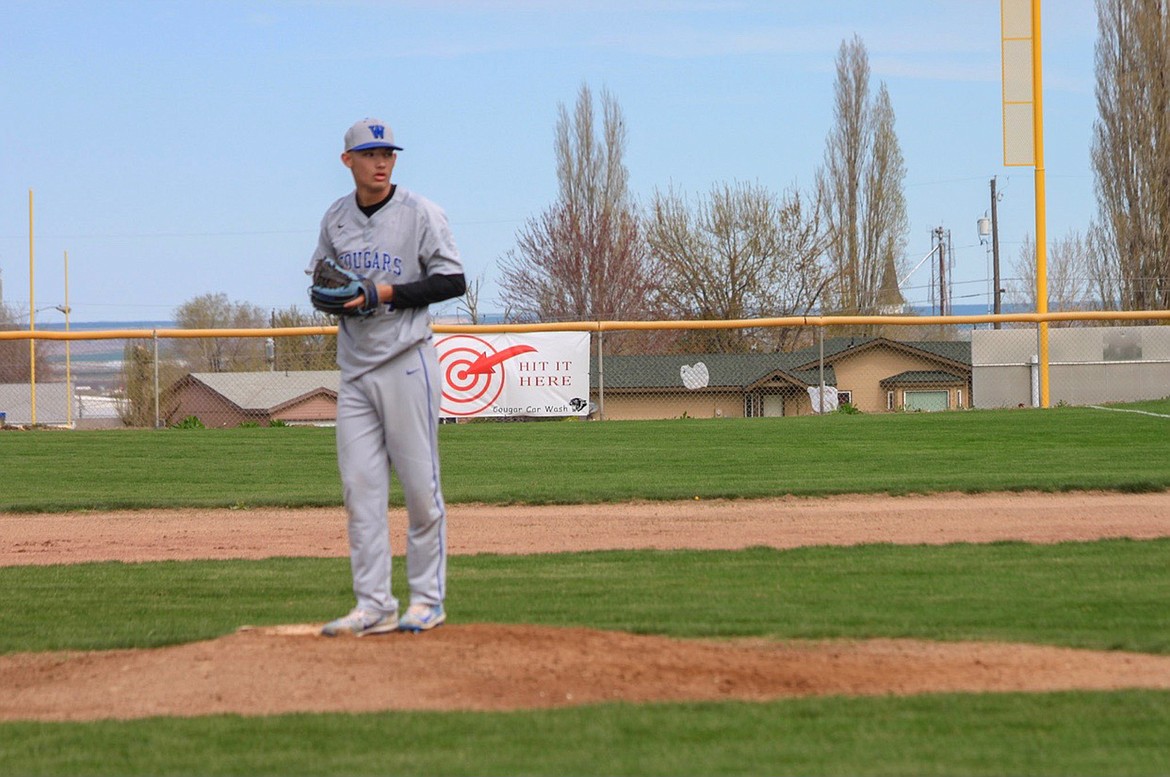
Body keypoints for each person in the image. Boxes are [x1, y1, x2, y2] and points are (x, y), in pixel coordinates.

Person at [308, 117, 466, 636]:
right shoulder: (335, 217)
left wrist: (386, 293)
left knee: (421, 490)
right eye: (371, 154)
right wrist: (329, 296)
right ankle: (374, 604)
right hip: (354, 371)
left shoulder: (420, 212)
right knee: (361, 491)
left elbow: (452, 280)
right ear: (347, 161)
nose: (381, 162)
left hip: (406, 361)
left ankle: (427, 599)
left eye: (388, 154)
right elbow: (321, 279)